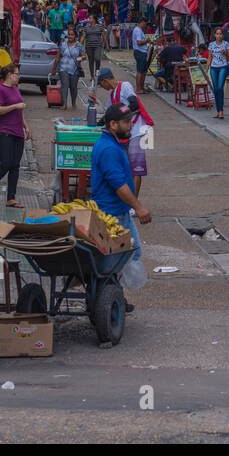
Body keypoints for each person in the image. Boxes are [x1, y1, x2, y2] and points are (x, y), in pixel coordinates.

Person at [90, 103, 152, 309]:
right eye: (126, 122)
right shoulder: (108, 148)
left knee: (125, 255)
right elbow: (119, 186)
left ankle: (114, 296)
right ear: (113, 124)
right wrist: (140, 208)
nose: (131, 125)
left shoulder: (113, 143)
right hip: (113, 212)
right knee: (124, 255)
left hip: (118, 210)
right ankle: (109, 297)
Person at [95, 67, 153, 198]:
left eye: (101, 84)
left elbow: (134, 104)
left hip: (137, 131)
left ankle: (134, 202)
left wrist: (121, 116)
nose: (102, 87)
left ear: (105, 80)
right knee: (126, 168)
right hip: (125, 134)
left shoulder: (125, 86)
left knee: (136, 170)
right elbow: (109, 115)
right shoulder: (112, 95)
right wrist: (97, 125)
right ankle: (128, 199)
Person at [0, 63, 31, 209]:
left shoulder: (16, 89)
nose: (19, 76)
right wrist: (15, 106)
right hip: (3, 132)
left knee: (15, 165)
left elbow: (19, 111)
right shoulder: (0, 90)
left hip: (17, 132)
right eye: (17, 74)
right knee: (6, 164)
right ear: (10, 75)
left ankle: (11, 198)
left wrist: (26, 126)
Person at [52, 27, 86, 107]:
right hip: (63, 68)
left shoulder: (79, 46)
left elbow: (84, 56)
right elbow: (57, 57)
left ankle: (73, 103)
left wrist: (80, 58)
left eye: (72, 35)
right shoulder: (63, 45)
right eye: (69, 35)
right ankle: (64, 104)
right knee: (64, 85)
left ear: (75, 36)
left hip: (75, 69)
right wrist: (54, 69)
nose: (70, 36)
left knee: (73, 87)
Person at [206, 28, 229, 119]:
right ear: (215, 35)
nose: (219, 35)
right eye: (217, 34)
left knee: (220, 88)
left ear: (223, 35)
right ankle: (218, 111)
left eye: (220, 34)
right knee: (216, 89)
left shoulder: (226, 44)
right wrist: (206, 69)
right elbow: (209, 58)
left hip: (223, 67)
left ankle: (221, 111)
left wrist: (225, 54)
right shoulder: (211, 45)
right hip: (213, 68)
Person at [81, 14, 109, 80]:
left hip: (98, 46)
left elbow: (104, 37)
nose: (89, 20)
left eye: (90, 18)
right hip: (89, 46)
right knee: (91, 61)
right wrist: (79, 44)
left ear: (94, 19)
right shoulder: (86, 27)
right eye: (89, 18)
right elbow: (83, 37)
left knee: (97, 59)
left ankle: (97, 74)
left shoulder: (100, 27)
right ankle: (92, 76)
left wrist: (107, 46)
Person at [132, 18, 151, 93]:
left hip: (141, 52)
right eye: (145, 23)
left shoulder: (138, 30)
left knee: (143, 71)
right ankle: (138, 89)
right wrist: (146, 41)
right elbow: (139, 43)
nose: (145, 25)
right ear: (142, 22)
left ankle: (141, 88)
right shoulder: (138, 30)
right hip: (140, 52)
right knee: (140, 71)